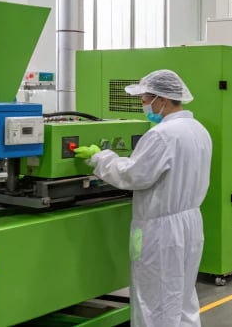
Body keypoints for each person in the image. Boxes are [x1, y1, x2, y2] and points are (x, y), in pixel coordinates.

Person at [74, 70, 212, 327]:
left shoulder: (161, 135)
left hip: (161, 231)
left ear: (162, 99)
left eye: (145, 99)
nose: (144, 106)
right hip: (190, 224)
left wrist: (100, 158)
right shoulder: (197, 129)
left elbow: (134, 176)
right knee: (181, 298)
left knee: (155, 303)